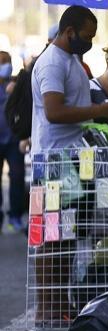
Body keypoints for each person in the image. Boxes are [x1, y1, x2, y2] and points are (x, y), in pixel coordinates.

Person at [31, 5, 108, 324]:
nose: (90, 41)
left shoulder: (72, 61)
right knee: (52, 237)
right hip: (54, 162)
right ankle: (47, 308)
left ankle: (59, 304)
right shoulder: (53, 63)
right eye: (87, 36)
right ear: (69, 31)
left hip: (72, 159)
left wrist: (101, 110)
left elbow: (74, 107)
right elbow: (54, 112)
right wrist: (100, 112)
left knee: (67, 235)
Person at [0, 51, 26, 233]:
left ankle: (15, 216)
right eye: (2, 62)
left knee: (16, 178)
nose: (6, 65)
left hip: (14, 140)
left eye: (8, 61)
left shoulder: (16, 83)